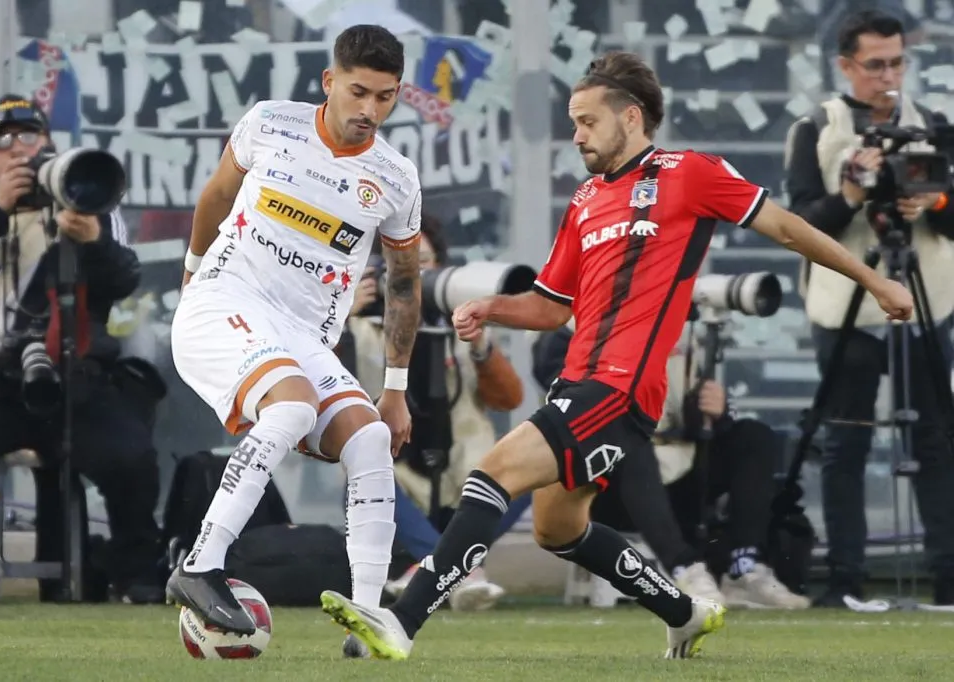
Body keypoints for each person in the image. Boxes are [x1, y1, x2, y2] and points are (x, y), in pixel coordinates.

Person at [318, 49, 914, 661]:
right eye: (574, 123)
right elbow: (551, 307)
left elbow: (788, 229)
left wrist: (875, 281)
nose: (577, 135)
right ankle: (684, 613)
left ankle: (401, 622)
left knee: (491, 474)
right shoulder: (585, 200)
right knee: (557, 529)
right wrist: (491, 307)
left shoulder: (690, 172)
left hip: (622, 388)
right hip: (578, 383)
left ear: (630, 117)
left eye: (587, 122)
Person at [164, 25, 424, 649]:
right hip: (225, 300)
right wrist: (193, 274)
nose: (370, 110)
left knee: (369, 438)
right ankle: (200, 563)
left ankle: (367, 618)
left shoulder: (395, 178)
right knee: (294, 404)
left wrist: (394, 388)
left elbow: (404, 284)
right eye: (358, 92)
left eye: (385, 97)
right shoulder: (271, 123)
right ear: (330, 81)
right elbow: (216, 196)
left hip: (301, 334)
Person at [0, 95, 164, 603]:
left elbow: (123, 280)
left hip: (73, 379)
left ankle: (138, 576)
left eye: (29, 137)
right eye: (4, 143)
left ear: (48, 147)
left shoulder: (89, 205)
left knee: (130, 452)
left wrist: (93, 241)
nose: (18, 150)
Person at [786, 10, 954, 607]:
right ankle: (846, 581)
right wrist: (853, 193)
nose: (888, 77)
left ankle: (947, 579)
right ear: (846, 65)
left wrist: (931, 203)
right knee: (846, 442)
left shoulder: (934, 124)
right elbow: (801, 225)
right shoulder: (816, 128)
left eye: (898, 63)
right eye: (875, 65)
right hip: (846, 305)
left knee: (935, 439)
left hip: (926, 297)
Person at [535, 323, 811, 609]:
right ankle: (685, 570)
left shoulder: (681, 326)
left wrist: (716, 410)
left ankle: (745, 567)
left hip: (679, 472)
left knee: (753, 435)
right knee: (631, 440)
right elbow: (566, 398)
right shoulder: (571, 330)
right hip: (606, 485)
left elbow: (693, 418)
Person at [346, 216, 529, 612]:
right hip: (402, 476)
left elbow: (509, 399)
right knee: (360, 475)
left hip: (466, 475)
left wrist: (481, 347)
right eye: (403, 265)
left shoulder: (460, 324)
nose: (415, 277)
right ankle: (458, 568)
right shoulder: (360, 326)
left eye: (424, 264)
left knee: (536, 469)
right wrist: (344, 316)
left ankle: (433, 567)